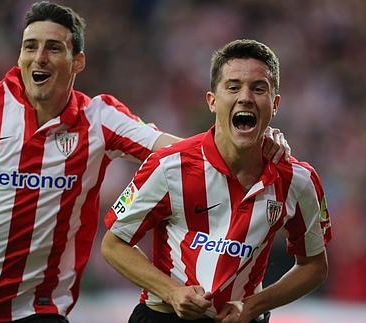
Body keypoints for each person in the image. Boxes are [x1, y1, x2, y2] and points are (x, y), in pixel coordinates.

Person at [0, 3, 290, 323]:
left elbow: (182, 152)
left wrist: (254, 141)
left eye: (53, 48)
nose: (39, 58)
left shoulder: (98, 119)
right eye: (30, 46)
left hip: (39, 310)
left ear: (77, 61)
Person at [101, 39, 331, 323]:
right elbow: (113, 244)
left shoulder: (299, 181)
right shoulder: (169, 166)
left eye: (258, 89)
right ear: (212, 100)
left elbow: (314, 265)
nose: (245, 97)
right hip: (165, 316)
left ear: (275, 105)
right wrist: (172, 292)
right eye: (233, 87)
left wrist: (252, 306)